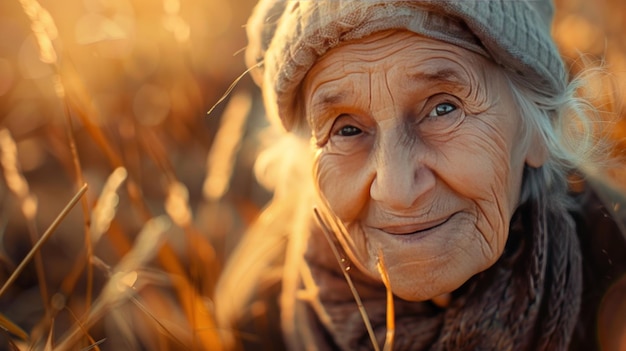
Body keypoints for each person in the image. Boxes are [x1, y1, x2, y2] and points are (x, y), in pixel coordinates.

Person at [215, 1, 626, 350]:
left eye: (444, 109)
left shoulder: (615, 261)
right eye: (346, 129)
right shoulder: (258, 315)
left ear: (538, 128)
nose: (396, 190)